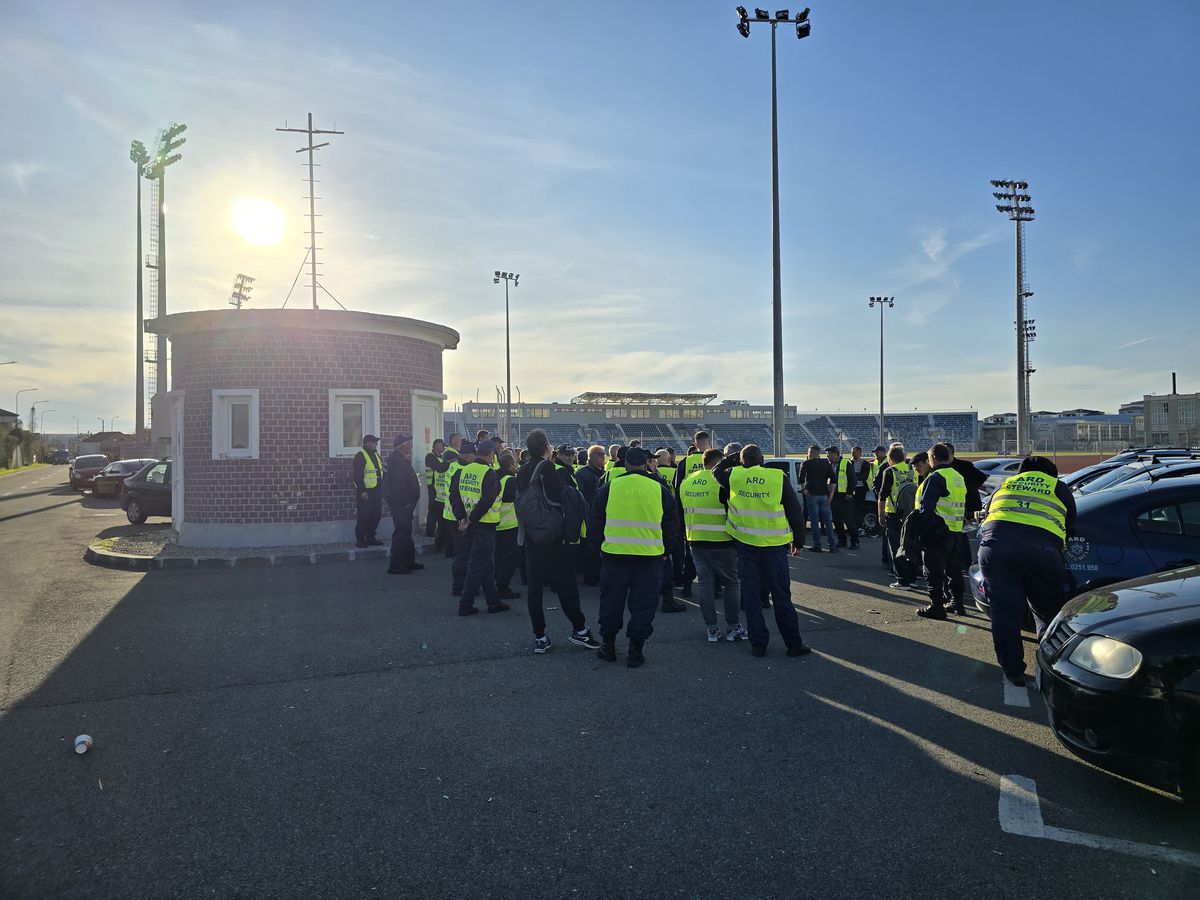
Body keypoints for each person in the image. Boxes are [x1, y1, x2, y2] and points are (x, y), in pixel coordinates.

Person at [978, 455, 1076, 686]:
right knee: (1046, 611)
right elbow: (1071, 523)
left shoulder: (1005, 485)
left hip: (995, 549)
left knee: (1004, 612)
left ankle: (1013, 671)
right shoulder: (1057, 486)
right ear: (1050, 472)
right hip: (1040, 552)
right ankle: (1050, 668)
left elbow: (990, 512)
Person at [713, 445, 811, 658]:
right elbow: (794, 510)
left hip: (747, 546)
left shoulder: (735, 475)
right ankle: (793, 643)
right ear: (762, 460)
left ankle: (758, 644)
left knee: (751, 597)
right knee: (781, 596)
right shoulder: (777, 477)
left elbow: (716, 471)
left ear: (742, 461)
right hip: (775, 546)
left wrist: (732, 457)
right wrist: (800, 541)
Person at [588, 446, 680, 667]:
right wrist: (666, 551)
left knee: (611, 602)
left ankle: (608, 646)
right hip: (649, 558)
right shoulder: (659, 488)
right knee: (643, 605)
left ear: (626, 464)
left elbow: (594, 522)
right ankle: (635, 651)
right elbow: (671, 524)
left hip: (615, 556)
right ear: (646, 464)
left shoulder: (610, 487)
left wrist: (600, 547)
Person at [516, 429, 601, 654]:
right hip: (554, 537)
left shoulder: (522, 470)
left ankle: (540, 636)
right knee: (566, 586)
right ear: (546, 448)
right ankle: (579, 630)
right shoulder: (547, 468)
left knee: (535, 590)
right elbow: (556, 500)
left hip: (532, 536)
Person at [680, 448, 747, 642]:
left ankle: (712, 628)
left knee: (705, 585)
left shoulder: (688, 481)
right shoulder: (722, 480)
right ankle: (733, 626)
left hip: (695, 540)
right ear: (718, 461)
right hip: (722, 540)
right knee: (732, 584)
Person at [448, 440, 509, 616]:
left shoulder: (463, 471)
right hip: (484, 526)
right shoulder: (489, 473)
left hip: (468, 525)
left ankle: (493, 601)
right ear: (491, 454)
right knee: (477, 566)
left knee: (485, 565)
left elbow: (454, 496)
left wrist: (462, 518)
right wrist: (470, 519)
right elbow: (487, 501)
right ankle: (465, 605)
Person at [909, 444, 967, 620]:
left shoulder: (935, 477)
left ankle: (937, 607)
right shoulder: (957, 476)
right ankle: (958, 603)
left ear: (932, 458)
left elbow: (926, 508)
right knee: (954, 570)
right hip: (956, 530)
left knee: (933, 571)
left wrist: (919, 531)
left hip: (938, 532)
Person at [945, 442, 987, 610]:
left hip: (966, 507)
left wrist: (968, 488)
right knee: (960, 536)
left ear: (952, 453)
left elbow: (982, 477)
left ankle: (965, 563)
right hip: (956, 508)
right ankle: (964, 563)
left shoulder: (964, 465)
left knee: (962, 536)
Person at [649, 449, 687, 613]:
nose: (655, 463)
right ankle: (668, 600)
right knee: (666, 566)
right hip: (658, 528)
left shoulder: (615, 481)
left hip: (633, 537)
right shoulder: (659, 480)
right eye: (652, 461)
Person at [878, 445, 918, 588]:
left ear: (890, 459)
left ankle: (902, 579)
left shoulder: (890, 471)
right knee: (911, 546)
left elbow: (882, 495)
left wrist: (881, 515)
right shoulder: (912, 470)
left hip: (894, 514)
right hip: (912, 513)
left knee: (896, 547)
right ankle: (912, 578)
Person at [384, 434, 423, 575]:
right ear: (402, 445)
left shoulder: (398, 459)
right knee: (401, 533)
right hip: (401, 504)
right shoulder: (397, 462)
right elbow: (398, 486)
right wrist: (407, 502)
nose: (411, 446)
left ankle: (408, 561)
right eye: (409, 443)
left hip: (403, 504)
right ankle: (395, 565)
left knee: (406, 533)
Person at [444, 442, 477, 594]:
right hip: (459, 517)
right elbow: (457, 495)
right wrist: (463, 517)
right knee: (463, 554)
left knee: (460, 553)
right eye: (474, 456)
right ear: (469, 456)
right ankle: (460, 586)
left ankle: (460, 585)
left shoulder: (454, 466)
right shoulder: (462, 470)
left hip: (451, 514)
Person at [574, 444, 608, 586]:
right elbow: (580, 496)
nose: (603, 457)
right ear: (591, 456)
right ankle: (590, 576)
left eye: (604, 454)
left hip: (603, 515)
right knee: (590, 548)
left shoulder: (605, 473)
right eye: (600, 454)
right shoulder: (582, 474)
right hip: (589, 516)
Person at [493, 451, 522, 600]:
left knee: (496, 557)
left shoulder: (494, 475)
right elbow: (514, 500)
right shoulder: (510, 480)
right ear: (510, 465)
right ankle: (503, 587)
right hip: (508, 523)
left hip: (494, 522)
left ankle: (495, 583)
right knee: (510, 558)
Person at [799, 444, 836, 553]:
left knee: (814, 521)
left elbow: (801, 479)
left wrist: (804, 489)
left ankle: (818, 545)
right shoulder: (826, 463)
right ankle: (832, 545)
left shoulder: (806, 463)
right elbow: (833, 479)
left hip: (812, 495)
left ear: (810, 453)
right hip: (824, 495)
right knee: (828, 521)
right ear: (819, 453)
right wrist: (831, 494)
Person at [353, 434, 385, 548]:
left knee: (375, 515)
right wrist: (362, 491)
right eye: (374, 442)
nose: (376, 444)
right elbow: (357, 475)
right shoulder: (361, 456)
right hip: (366, 492)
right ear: (367, 443)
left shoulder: (376, 455)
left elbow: (381, 471)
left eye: (376, 442)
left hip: (376, 491)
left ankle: (371, 538)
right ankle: (360, 540)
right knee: (364, 516)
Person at [826, 446, 857, 550]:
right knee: (837, 521)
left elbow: (852, 479)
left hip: (845, 496)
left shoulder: (845, 463)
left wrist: (849, 493)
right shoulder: (829, 464)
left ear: (836, 454)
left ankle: (854, 541)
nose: (828, 456)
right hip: (834, 496)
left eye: (829, 454)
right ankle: (842, 540)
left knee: (848, 520)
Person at [423, 438, 446, 541]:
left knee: (438, 509)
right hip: (432, 486)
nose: (443, 448)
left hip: (439, 487)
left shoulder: (441, 457)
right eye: (442, 446)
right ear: (437, 446)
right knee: (433, 509)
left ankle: (437, 530)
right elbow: (439, 467)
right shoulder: (430, 456)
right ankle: (430, 531)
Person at [849, 446, 871, 543]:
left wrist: (853, 476)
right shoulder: (850, 462)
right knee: (852, 509)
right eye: (852, 452)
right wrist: (855, 476)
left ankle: (860, 527)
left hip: (861, 489)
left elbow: (863, 476)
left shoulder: (865, 463)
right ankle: (854, 527)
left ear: (859, 453)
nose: (853, 454)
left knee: (860, 508)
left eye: (854, 452)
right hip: (851, 488)